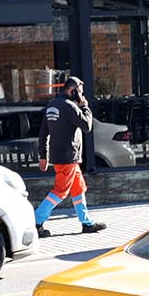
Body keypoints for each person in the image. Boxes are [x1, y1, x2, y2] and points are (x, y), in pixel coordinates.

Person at [36, 75, 105, 235]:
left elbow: (43, 133)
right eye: (80, 92)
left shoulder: (52, 106)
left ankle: (86, 223)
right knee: (60, 191)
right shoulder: (70, 107)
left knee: (78, 189)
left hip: (63, 157)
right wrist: (85, 106)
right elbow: (87, 126)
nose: (81, 95)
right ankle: (36, 221)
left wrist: (43, 156)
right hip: (68, 157)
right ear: (72, 91)